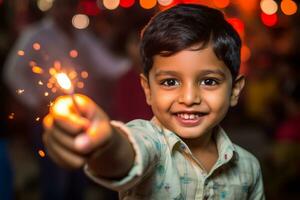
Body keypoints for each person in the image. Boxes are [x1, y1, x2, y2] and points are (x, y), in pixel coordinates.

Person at [43, 4, 265, 199]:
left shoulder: (248, 168)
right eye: (170, 82)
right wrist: (103, 144)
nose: (189, 98)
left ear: (235, 90)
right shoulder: (150, 142)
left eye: (208, 81)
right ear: (147, 90)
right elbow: (123, 153)